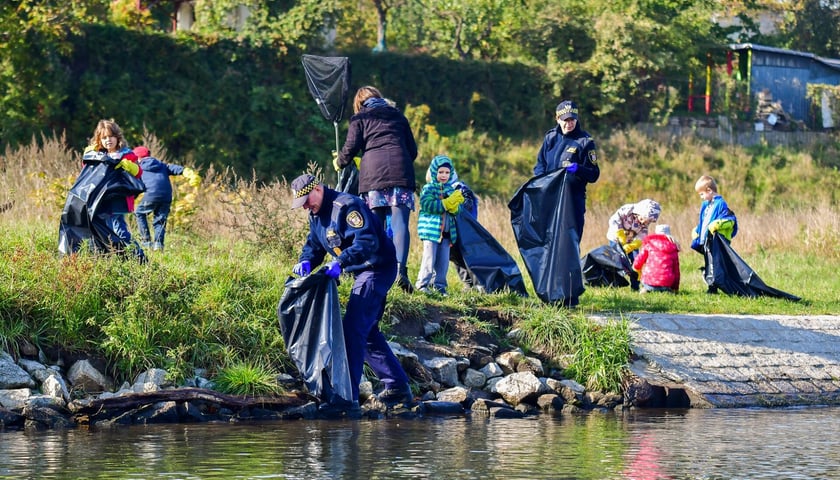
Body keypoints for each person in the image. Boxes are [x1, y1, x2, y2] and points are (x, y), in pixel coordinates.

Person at [289, 174, 413, 414]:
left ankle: (349, 398)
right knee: (367, 332)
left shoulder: (347, 206)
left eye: (306, 200)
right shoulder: (315, 216)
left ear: (318, 189)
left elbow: (367, 242)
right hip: (360, 271)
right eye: (301, 203)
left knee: (352, 330)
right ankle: (398, 387)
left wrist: (341, 262)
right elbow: (313, 247)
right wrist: (305, 262)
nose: (305, 206)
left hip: (376, 268)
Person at [334, 86, 418, 293]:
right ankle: (400, 272)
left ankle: (378, 270)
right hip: (401, 173)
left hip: (373, 176)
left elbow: (351, 146)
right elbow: (413, 151)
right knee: (400, 225)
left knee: (375, 226)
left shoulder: (359, 118)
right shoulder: (398, 116)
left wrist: (340, 161)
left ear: (359, 103)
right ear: (379, 98)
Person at [533, 100, 600, 238]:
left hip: (573, 199)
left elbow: (594, 174)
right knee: (548, 238)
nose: (569, 124)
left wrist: (578, 169)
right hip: (550, 197)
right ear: (558, 119)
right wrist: (542, 182)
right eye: (566, 120)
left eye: (572, 120)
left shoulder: (585, 141)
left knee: (570, 239)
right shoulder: (550, 137)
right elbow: (540, 164)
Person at [82, 119, 146, 262]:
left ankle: (139, 258)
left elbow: (138, 173)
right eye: (104, 138)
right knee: (100, 231)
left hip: (118, 201)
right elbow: (86, 169)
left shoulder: (126, 154)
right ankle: (108, 260)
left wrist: (127, 165)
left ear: (117, 137)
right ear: (99, 139)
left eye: (110, 136)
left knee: (120, 231)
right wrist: (91, 152)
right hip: (99, 201)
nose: (108, 140)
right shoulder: (97, 154)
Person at [415, 155, 465, 295]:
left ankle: (439, 287)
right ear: (433, 172)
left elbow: (457, 210)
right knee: (429, 259)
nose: (444, 175)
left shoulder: (451, 189)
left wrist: (455, 207)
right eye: (441, 172)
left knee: (443, 262)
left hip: (448, 233)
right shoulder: (428, 188)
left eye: (447, 172)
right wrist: (445, 204)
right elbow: (427, 204)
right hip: (431, 232)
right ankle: (422, 285)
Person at [690, 175, 738, 293]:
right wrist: (698, 231)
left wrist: (718, 224)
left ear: (709, 190)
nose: (701, 197)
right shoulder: (706, 204)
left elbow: (729, 220)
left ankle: (713, 287)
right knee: (709, 263)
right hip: (706, 240)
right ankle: (712, 285)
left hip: (715, 241)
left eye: (701, 194)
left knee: (715, 264)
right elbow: (704, 220)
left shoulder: (720, 204)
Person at [132, 146, 185, 252]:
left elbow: (137, 186)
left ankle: (146, 241)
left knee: (139, 213)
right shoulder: (161, 165)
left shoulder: (139, 168)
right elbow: (176, 169)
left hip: (151, 195)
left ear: (137, 158)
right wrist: (185, 171)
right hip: (166, 196)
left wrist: (132, 198)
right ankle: (158, 245)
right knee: (160, 219)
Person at [606, 199, 662, 290]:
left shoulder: (644, 223)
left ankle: (635, 286)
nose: (644, 223)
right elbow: (614, 220)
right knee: (616, 261)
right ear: (639, 212)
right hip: (616, 238)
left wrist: (633, 245)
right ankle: (613, 284)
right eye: (642, 219)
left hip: (631, 241)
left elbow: (642, 235)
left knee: (636, 262)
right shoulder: (627, 210)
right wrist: (620, 234)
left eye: (648, 222)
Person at [448, 170, 479, 289]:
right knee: (455, 257)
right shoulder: (443, 190)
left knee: (465, 256)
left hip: (464, 230)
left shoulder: (461, 188)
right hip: (452, 230)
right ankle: (469, 284)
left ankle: (476, 284)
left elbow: (467, 208)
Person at [633, 224, 681, 293]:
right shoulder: (673, 248)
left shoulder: (649, 244)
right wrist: (675, 288)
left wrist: (636, 267)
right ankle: (667, 291)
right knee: (667, 288)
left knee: (646, 285)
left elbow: (639, 260)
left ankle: (646, 289)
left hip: (649, 282)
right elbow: (676, 271)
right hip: (666, 284)